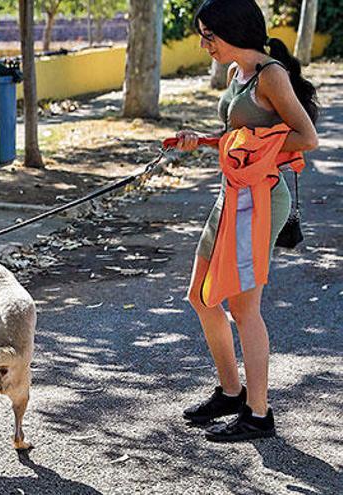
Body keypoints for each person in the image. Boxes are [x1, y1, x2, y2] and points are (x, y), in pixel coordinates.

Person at [176, 0, 318, 442]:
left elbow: (305, 136)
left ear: (233, 30)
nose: (204, 44)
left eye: (209, 35)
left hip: (260, 200)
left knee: (243, 308)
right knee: (202, 296)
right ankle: (231, 392)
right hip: (231, 196)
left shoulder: (271, 75)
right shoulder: (239, 73)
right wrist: (202, 140)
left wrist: (253, 146)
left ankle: (259, 414)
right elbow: (239, 133)